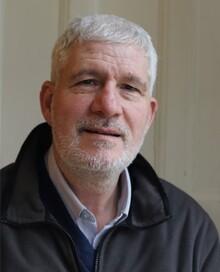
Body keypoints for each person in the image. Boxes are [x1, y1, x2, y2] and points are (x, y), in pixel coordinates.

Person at [0, 14, 219, 272]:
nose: (108, 106)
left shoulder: (190, 231)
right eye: (88, 82)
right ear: (49, 103)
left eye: (129, 87)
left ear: (149, 115)